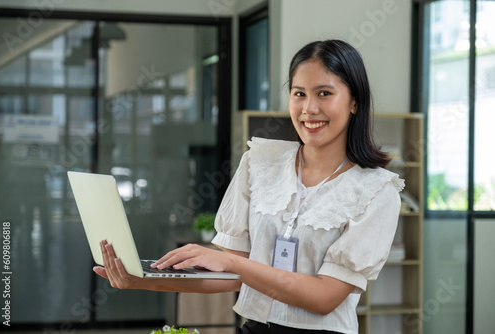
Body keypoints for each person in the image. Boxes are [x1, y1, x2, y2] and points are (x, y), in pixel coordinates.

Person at [94, 39, 404, 334]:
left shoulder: (376, 190)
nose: (309, 108)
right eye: (299, 94)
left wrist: (231, 262)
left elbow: (324, 298)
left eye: (324, 93)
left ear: (354, 103)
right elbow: (230, 276)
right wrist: (143, 279)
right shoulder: (260, 161)